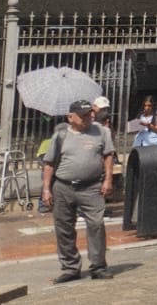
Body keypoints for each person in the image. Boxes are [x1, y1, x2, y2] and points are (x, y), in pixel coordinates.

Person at [41, 99, 115, 283]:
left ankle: (98, 266)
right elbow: (49, 163)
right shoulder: (60, 135)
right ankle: (70, 267)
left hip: (91, 187)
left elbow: (108, 156)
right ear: (70, 117)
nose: (88, 117)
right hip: (63, 187)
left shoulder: (102, 131)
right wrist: (46, 190)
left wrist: (108, 180)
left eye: (90, 113)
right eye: (82, 115)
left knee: (96, 225)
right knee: (64, 228)